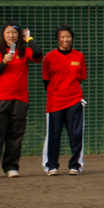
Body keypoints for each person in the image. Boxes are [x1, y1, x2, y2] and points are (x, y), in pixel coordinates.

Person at [0, 23, 42, 178]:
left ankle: (11, 167)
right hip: (0, 98)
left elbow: (38, 53)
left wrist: (28, 38)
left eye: (14, 33)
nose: (11, 36)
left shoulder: (24, 51)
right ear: (3, 35)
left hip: (20, 99)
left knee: (16, 135)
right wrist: (4, 61)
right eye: (8, 32)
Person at [42, 25, 88, 176]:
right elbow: (46, 81)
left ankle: (75, 165)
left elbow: (80, 79)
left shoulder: (79, 56)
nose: (65, 39)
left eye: (68, 36)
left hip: (75, 101)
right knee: (53, 135)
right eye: (62, 37)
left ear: (72, 38)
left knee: (76, 135)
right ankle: (51, 166)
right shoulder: (49, 57)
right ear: (58, 39)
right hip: (54, 102)